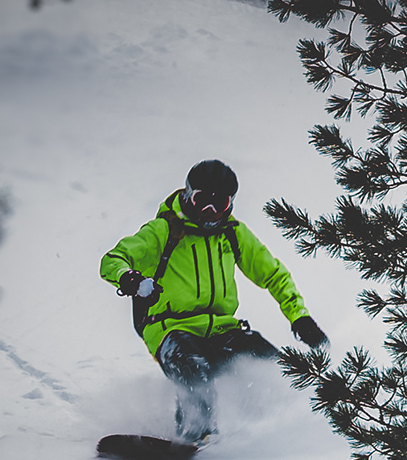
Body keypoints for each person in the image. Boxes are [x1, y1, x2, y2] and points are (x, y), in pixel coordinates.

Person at [100, 159, 328, 443]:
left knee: (271, 366)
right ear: (187, 195)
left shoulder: (233, 233)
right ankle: (197, 433)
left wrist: (299, 316)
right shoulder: (163, 231)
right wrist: (130, 279)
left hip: (223, 329)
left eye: (218, 203)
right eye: (201, 201)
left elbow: (273, 274)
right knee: (194, 369)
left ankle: (273, 427)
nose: (209, 211)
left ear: (229, 203)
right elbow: (112, 260)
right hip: (171, 329)